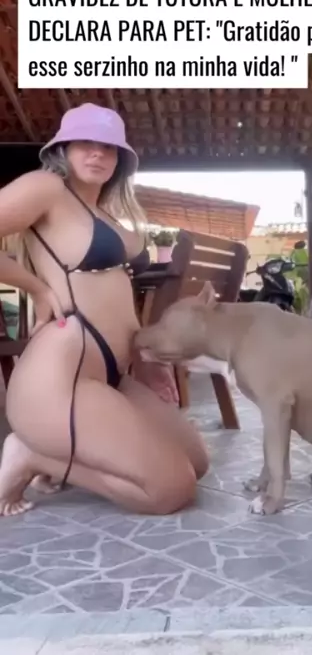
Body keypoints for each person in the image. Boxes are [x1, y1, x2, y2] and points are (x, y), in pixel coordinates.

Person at [0, 102, 209, 517]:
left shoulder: (106, 214)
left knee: (196, 462)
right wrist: (36, 289)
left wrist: (144, 356)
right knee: (171, 488)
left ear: (120, 159)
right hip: (64, 375)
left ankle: (63, 455)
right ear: (63, 149)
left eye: (109, 146)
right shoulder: (47, 188)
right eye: (85, 143)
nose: (97, 153)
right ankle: (33, 454)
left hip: (111, 375)